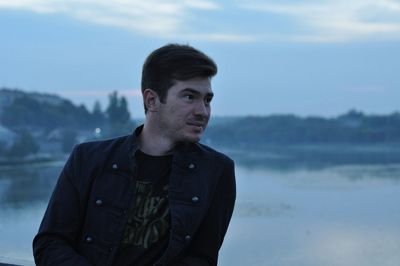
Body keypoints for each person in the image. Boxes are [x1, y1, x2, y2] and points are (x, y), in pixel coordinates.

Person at [33, 44, 236, 266]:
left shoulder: (217, 171)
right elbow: (50, 244)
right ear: (151, 100)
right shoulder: (88, 159)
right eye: (189, 97)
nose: (203, 111)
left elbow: (202, 258)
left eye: (207, 100)